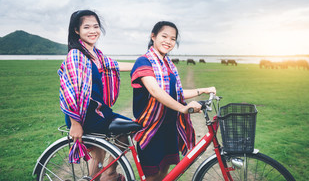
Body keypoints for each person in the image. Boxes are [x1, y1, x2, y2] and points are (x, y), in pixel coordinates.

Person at [130, 21, 216, 181]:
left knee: (165, 173)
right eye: (164, 36)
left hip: (169, 126)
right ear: (153, 36)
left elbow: (176, 93)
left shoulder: (167, 64)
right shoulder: (144, 62)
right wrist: (183, 109)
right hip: (151, 129)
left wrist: (202, 90)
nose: (168, 41)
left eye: (172, 39)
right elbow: (155, 91)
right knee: (152, 176)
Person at [58, 10, 133, 181]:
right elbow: (70, 92)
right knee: (126, 130)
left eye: (96, 26)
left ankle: (99, 176)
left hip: (99, 111)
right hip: (86, 116)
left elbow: (114, 65)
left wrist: (143, 65)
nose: (93, 31)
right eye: (87, 27)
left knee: (100, 153)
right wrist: (75, 124)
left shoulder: (95, 55)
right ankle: (109, 174)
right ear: (76, 30)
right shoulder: (76, 55)